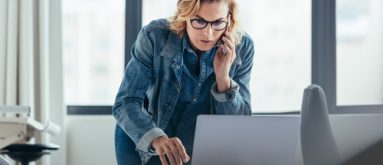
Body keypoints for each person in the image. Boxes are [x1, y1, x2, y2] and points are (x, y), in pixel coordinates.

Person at [112, 0, 254, 164]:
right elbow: (125, 102)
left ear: (229, 20)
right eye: (199, 21)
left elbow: (240, 125)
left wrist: (223, 78)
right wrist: (156, 138)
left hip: (194, 150)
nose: (208, 33)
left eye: (218, 23)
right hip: (144, 141)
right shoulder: (154, 36)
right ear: (184, 15)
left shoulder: (243, 47)